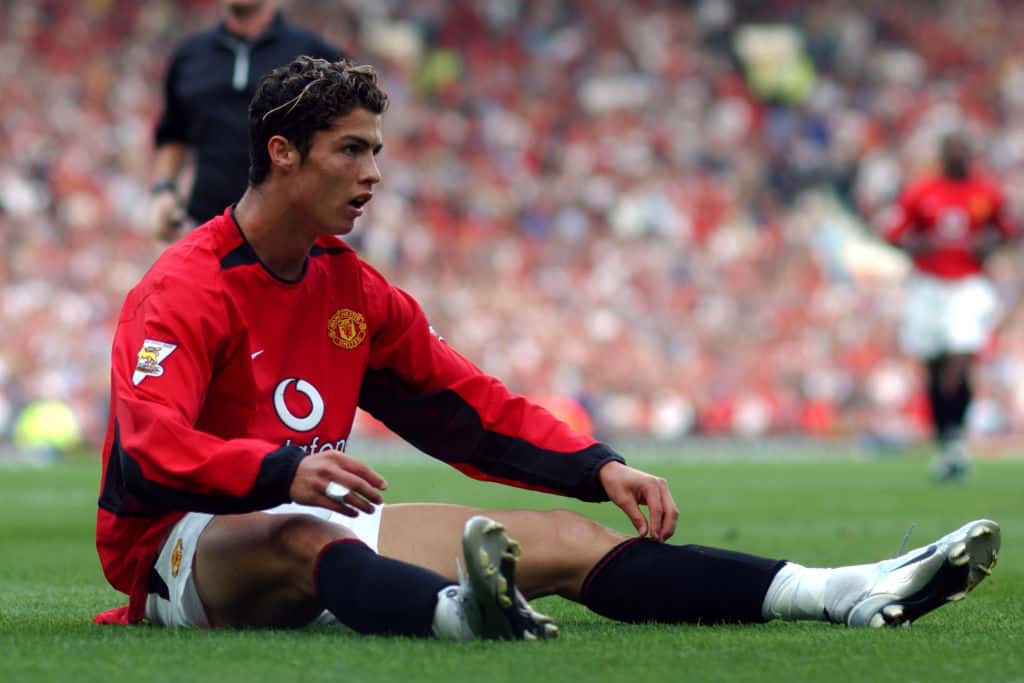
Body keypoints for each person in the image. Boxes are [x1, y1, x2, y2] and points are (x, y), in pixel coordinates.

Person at [96, 57, 1001, 638]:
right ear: (283, 154)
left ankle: (836, 589)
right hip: (174, 549)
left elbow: (471, 411)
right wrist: (280, 471)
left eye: (378, 150)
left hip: (310, 522)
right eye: (351, 150)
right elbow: (147, 451)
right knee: (303, 535)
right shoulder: (186, 284)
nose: (374, 174)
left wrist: (596, 466)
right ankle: (462, 617)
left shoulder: (352, 288)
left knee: (564, 541)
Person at [880, 133, 1018, 481]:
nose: (957, 156)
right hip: (928, 285)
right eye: (951, 151)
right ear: (942, 156)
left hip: (968, 283)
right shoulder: (922, 191)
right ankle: (946, 440)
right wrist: (915, 244)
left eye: (962, 150)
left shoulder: (986, 192)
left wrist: (991, 244)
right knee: (933, 363)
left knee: (960, 355)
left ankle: (956, 437)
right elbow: (893, 233)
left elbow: (1009, 228)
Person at [149, 0, 343, 241]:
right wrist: (165, 189)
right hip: (207, 228)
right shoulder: (190, 55)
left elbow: (343, 136)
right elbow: (174, 133)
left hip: (292, 237)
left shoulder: (315, 56)